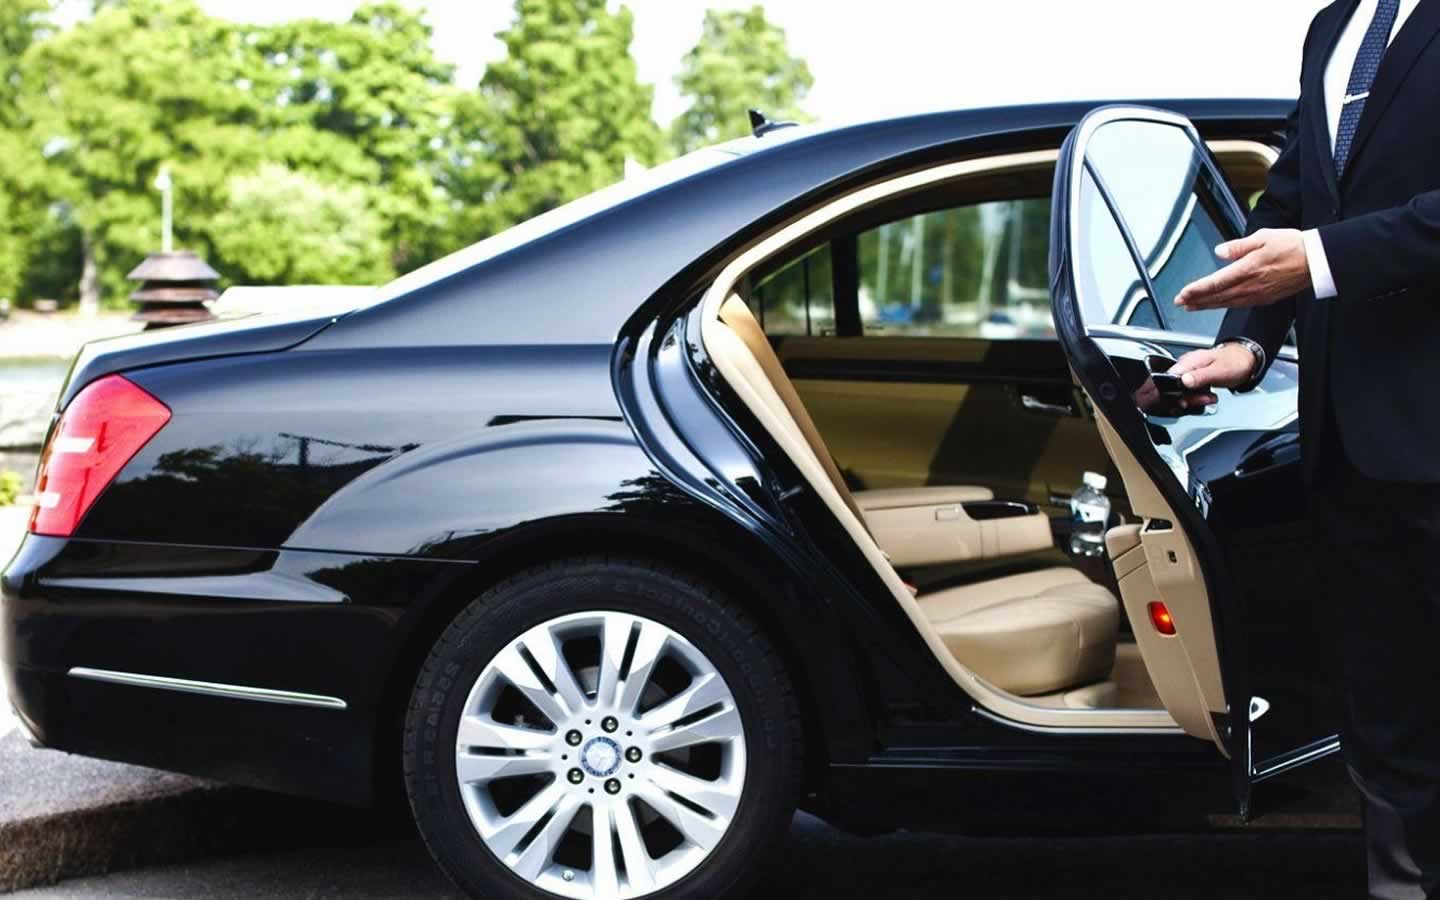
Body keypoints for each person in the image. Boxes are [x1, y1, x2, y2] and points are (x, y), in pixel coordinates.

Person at [1168, 1, 1440, 896]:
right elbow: (1293, 197)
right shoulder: (1331, 27)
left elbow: (1316, 239)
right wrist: (1248, 342)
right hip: (1348, 445)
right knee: (1385, 714)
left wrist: (1322, 259)